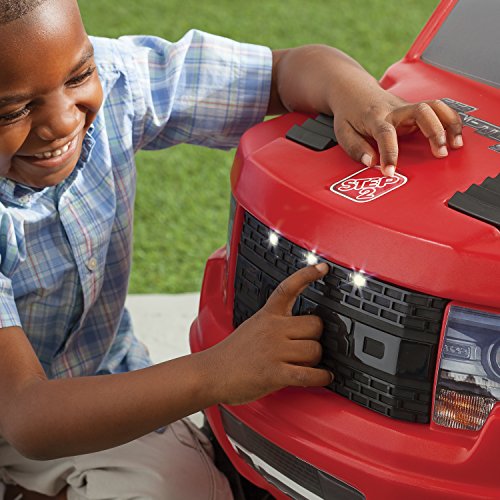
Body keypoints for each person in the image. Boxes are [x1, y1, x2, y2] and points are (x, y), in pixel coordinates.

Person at [0, 0, 463, 498]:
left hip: (97, 384)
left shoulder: (119, 78)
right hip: (31, 410)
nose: (60, 122)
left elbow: (286, 70)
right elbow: (29, 417)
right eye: (14, 110)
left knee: (185, 489)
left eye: (78, 76)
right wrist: (216, 372)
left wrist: (364, 98)